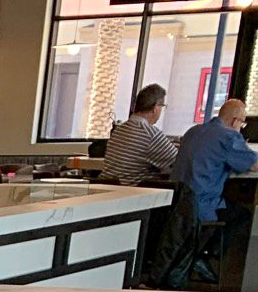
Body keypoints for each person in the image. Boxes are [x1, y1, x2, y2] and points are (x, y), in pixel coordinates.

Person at [173, 96, 257, 224]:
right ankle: (211, 236)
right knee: (245, 215)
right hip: (201, 207)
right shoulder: (229, 137)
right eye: (242, 124)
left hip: (175, 207)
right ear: (235, 121)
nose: (241, 128)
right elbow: (254, 164)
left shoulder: (192, 131)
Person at [100, 84, 178, 186]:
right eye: (162, 106)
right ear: (156, 107)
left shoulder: (118, 130)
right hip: (132, 192)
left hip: (106, 189)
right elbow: (180, 162)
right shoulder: (151, 135)